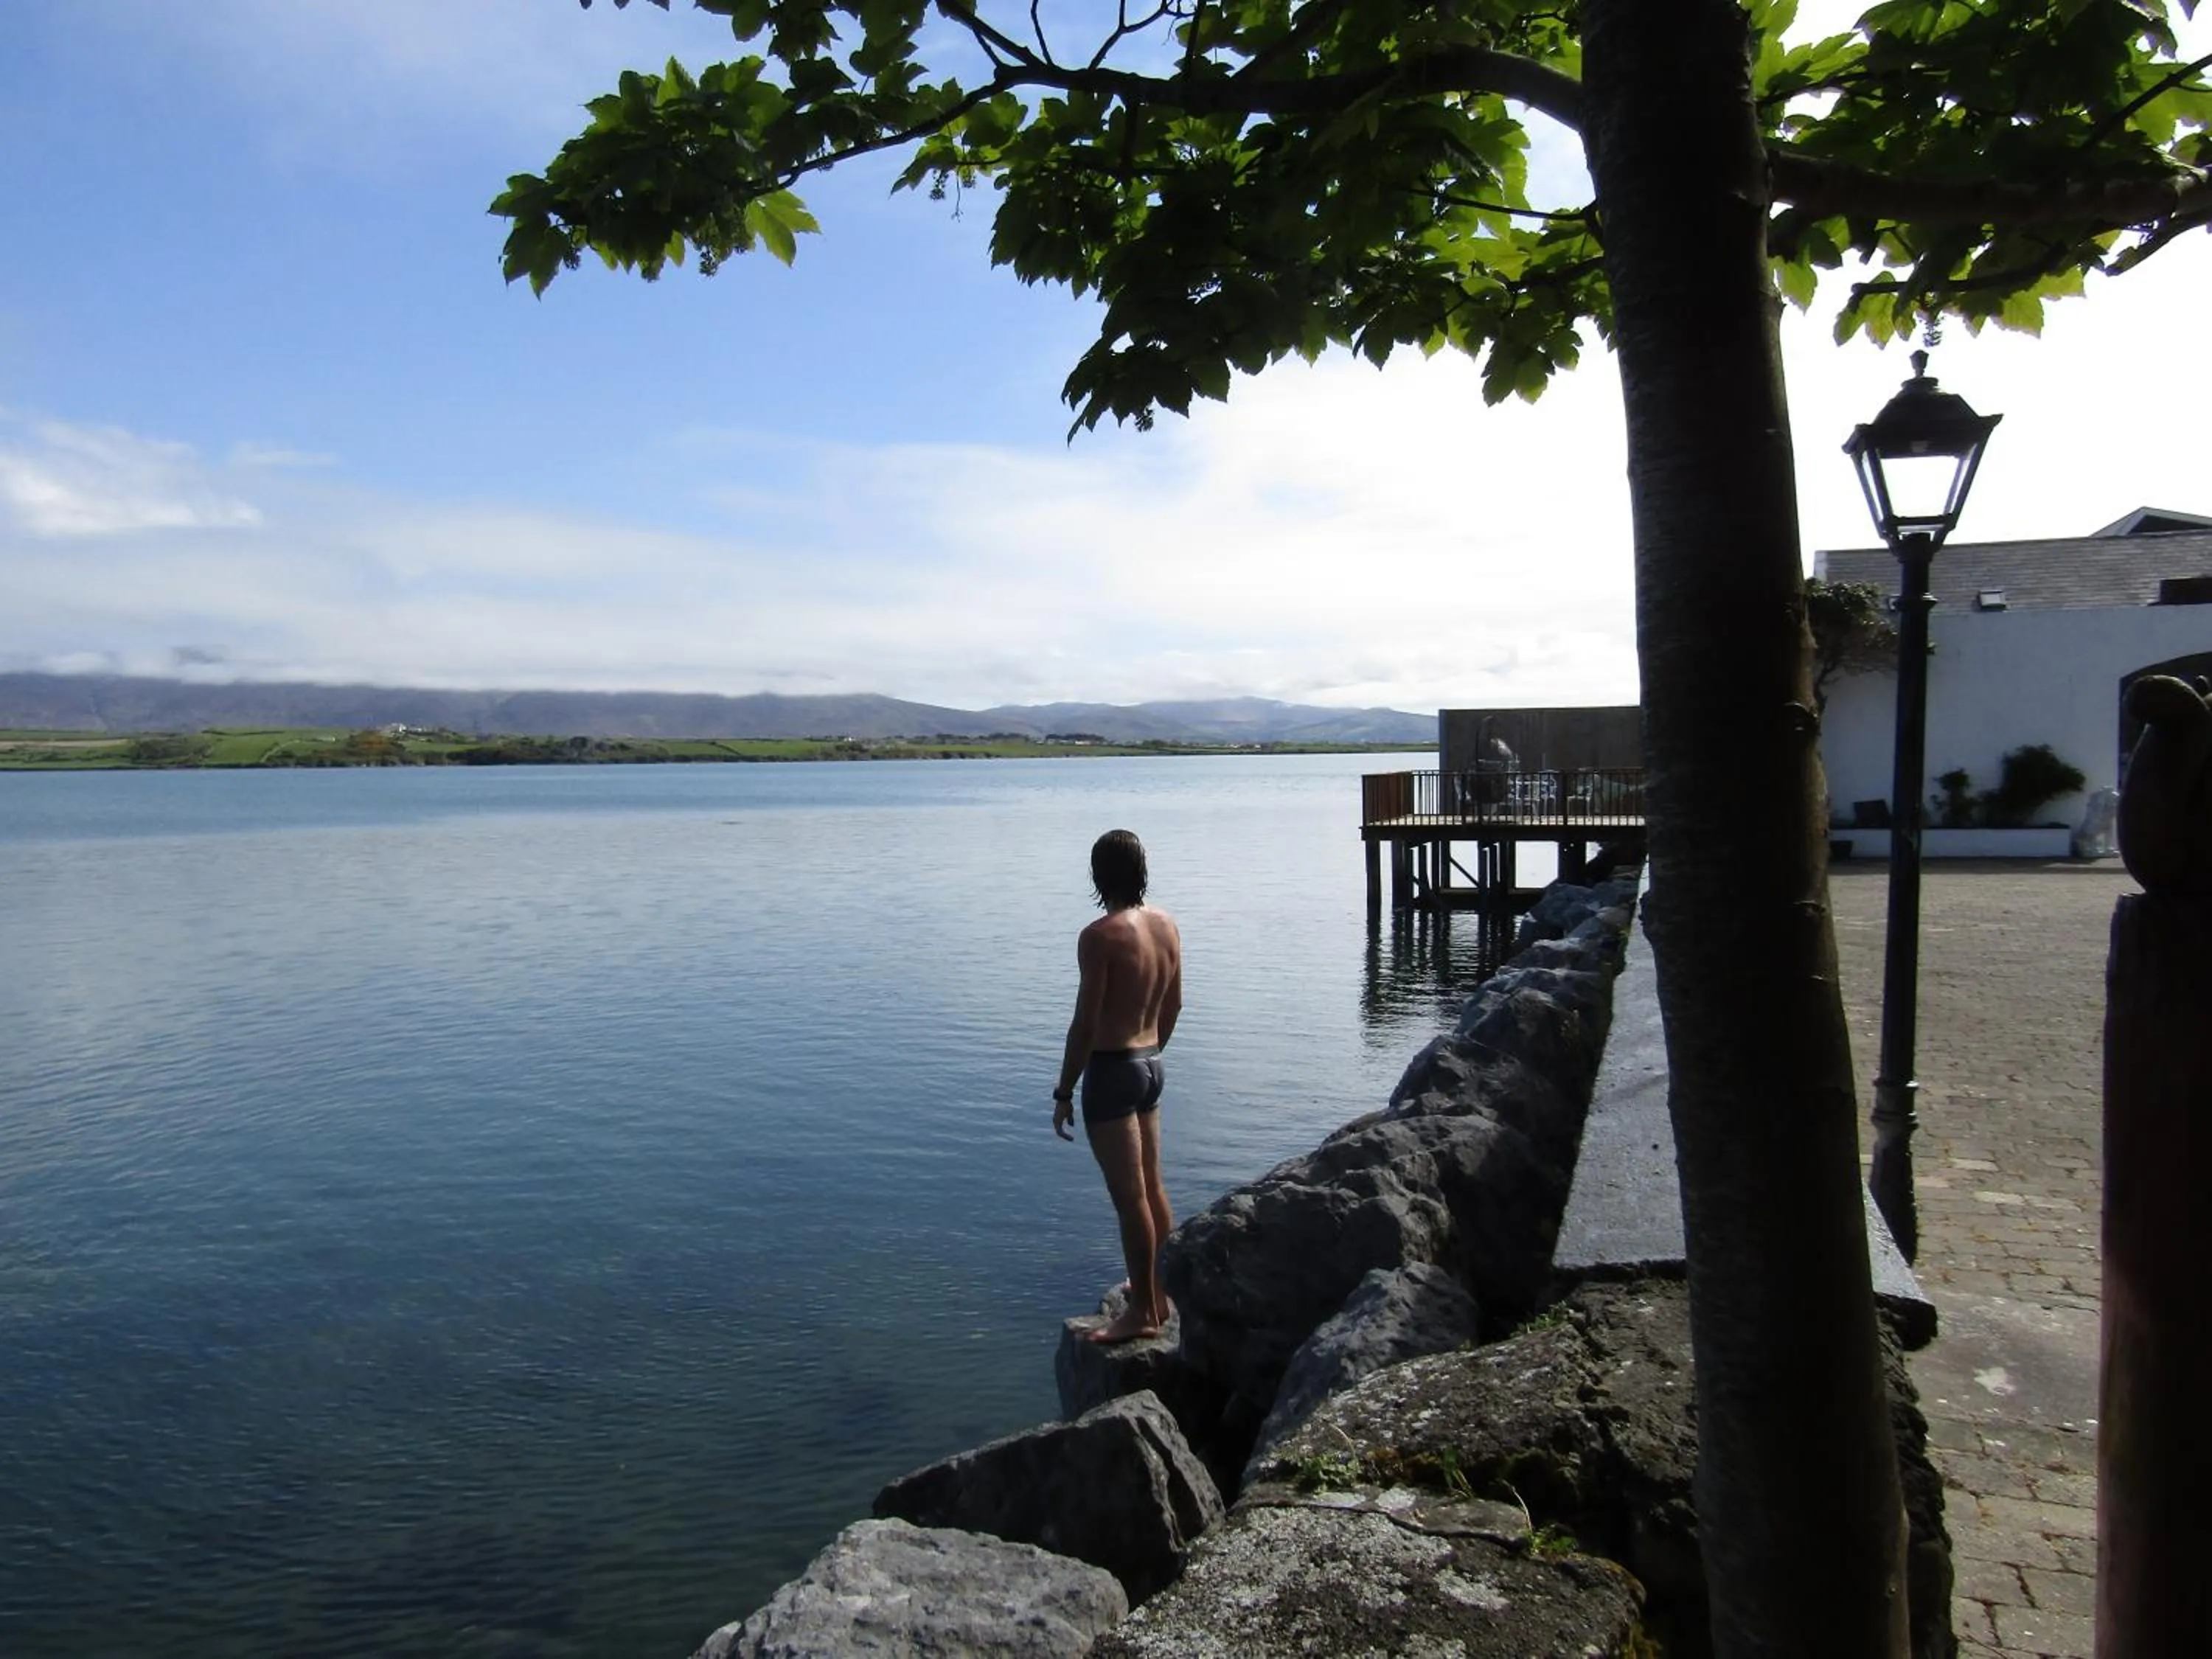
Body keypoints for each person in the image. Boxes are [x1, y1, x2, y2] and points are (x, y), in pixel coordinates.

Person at [1052, 829, 1182, 1344]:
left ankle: (1143, 1315)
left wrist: (1064, 1091)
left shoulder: (1100, 936)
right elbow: (1174, 1004)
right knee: (1153, 1187)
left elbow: (1085, 1024)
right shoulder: (1166, 925)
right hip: (1151, 1062)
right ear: (1141, 869)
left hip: (1112, 1069)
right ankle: (1161, 1294)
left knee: (1130, 1200)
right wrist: (1151, 1056)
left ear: (1098, 875)